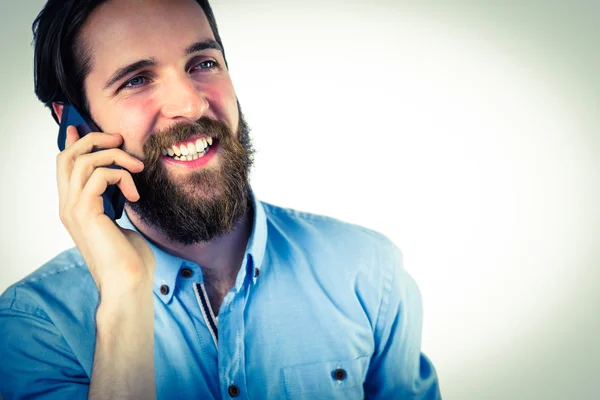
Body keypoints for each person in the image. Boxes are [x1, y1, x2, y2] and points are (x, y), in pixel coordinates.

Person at [0, 0, 441, 398]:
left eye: (203, 62)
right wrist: (124, 295)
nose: (190, 104)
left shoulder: (369, 272)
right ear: (74, 124)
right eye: (137, 79)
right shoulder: (35, 327)